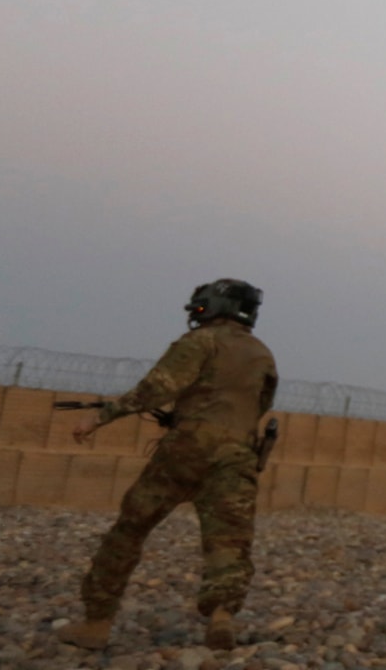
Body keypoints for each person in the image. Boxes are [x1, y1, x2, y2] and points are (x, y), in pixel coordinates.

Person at [59, 279, 279, 653]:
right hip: (238, 453)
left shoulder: (199, 342)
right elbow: (258, 407)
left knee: (130, 528)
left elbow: (158, 387)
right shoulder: (262, 354)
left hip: (186, 449)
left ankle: (97, 622)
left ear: (214, 305)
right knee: (228, 541)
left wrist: (102, 416)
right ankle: (222, 615)